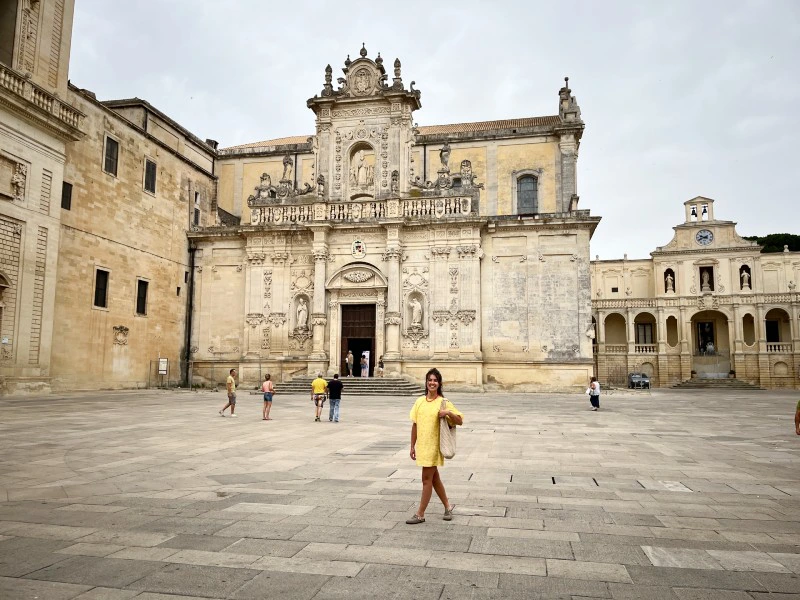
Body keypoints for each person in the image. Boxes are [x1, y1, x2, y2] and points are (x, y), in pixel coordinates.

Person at [406, 368, 463, 525]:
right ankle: (448, 506)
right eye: (430, 380)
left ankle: (420, 514)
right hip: (423, 446)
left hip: (434, 447)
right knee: (434, 479)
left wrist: (448, 413)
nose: (432, 383)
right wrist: (412, 446)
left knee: (426, 479)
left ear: (439, 384)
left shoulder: (443, 403)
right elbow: (415, 425)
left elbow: (460, 420)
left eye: (435, 380)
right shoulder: (419, 401)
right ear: (426, 382)